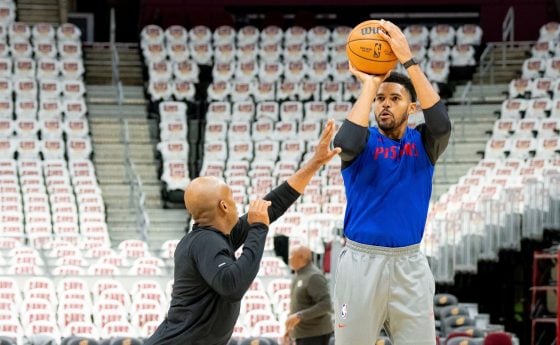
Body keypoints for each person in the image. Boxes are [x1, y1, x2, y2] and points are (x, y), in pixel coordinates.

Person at [144, 120, 341, 345]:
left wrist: (315, 163)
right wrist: (259, 229)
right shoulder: (205, 242)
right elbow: (232, 285)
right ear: (224, 207)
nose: (238, 205)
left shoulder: (213, 236)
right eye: (232, 199)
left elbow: (272, 205)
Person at [332, 19, 452, 345]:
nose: (385, 103)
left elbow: (441, 123)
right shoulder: (364, 141)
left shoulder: (424, 143)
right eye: (380, 99)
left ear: (412, 107)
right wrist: (371, 85)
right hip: (359, 264)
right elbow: (345, 142)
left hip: (410, 265)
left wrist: (407, 60)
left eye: (395, 98)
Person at [284, 245, 333, 345]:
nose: (289, 258)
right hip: (303, 335)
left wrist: (300, 316)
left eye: (291, 255)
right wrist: (290, 329)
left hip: (315, 335)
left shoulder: (314, 276)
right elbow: (298, 305)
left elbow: (326, 305)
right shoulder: (298, 275)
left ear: (302, 257)